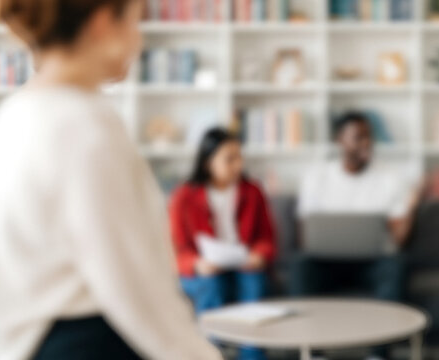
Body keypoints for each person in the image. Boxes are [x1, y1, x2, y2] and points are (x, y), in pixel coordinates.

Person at [0, 0, 222, 359]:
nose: (138, 40)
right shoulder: (84, 125)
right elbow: (134, 288)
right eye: (134, 22)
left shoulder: (9, 117)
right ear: (103, 23)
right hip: (85, 344)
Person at [291, 111, 420, 359]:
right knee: (300, 265)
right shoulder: (316, 178)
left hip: (371, 264)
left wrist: (411, 207)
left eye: (369, 137)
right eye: (358, 137)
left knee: (396, 265)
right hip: (326, 263)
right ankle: (313, 353)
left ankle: (378, 354)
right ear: (340, 140)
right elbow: (306, 237)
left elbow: (398, 240)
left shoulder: (390, 178)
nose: (366, 143)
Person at [169, 128, 277, 360]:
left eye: (239, 157)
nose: (238, 165)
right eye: (230, 159)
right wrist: (198, 264)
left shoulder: (253, 191)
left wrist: (259, 255)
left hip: (243, 264)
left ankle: (252, 354)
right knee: (210, 284)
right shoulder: (184, 196)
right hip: (203, 269)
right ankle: (209, 353)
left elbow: (267, 238)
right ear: (208, 162)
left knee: (254, 281)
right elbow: (176, 249)